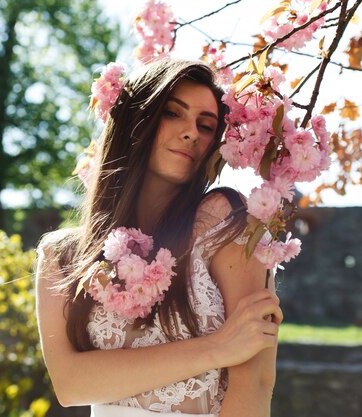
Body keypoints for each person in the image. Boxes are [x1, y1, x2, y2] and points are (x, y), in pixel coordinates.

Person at [35, 58, 283, 417]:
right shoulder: (61, 255)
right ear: (137, 118)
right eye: (172, 113)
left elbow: (255, 382)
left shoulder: (226, 221)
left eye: (206, 124)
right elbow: (71, 385)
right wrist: (218, 348)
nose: (192, 132)